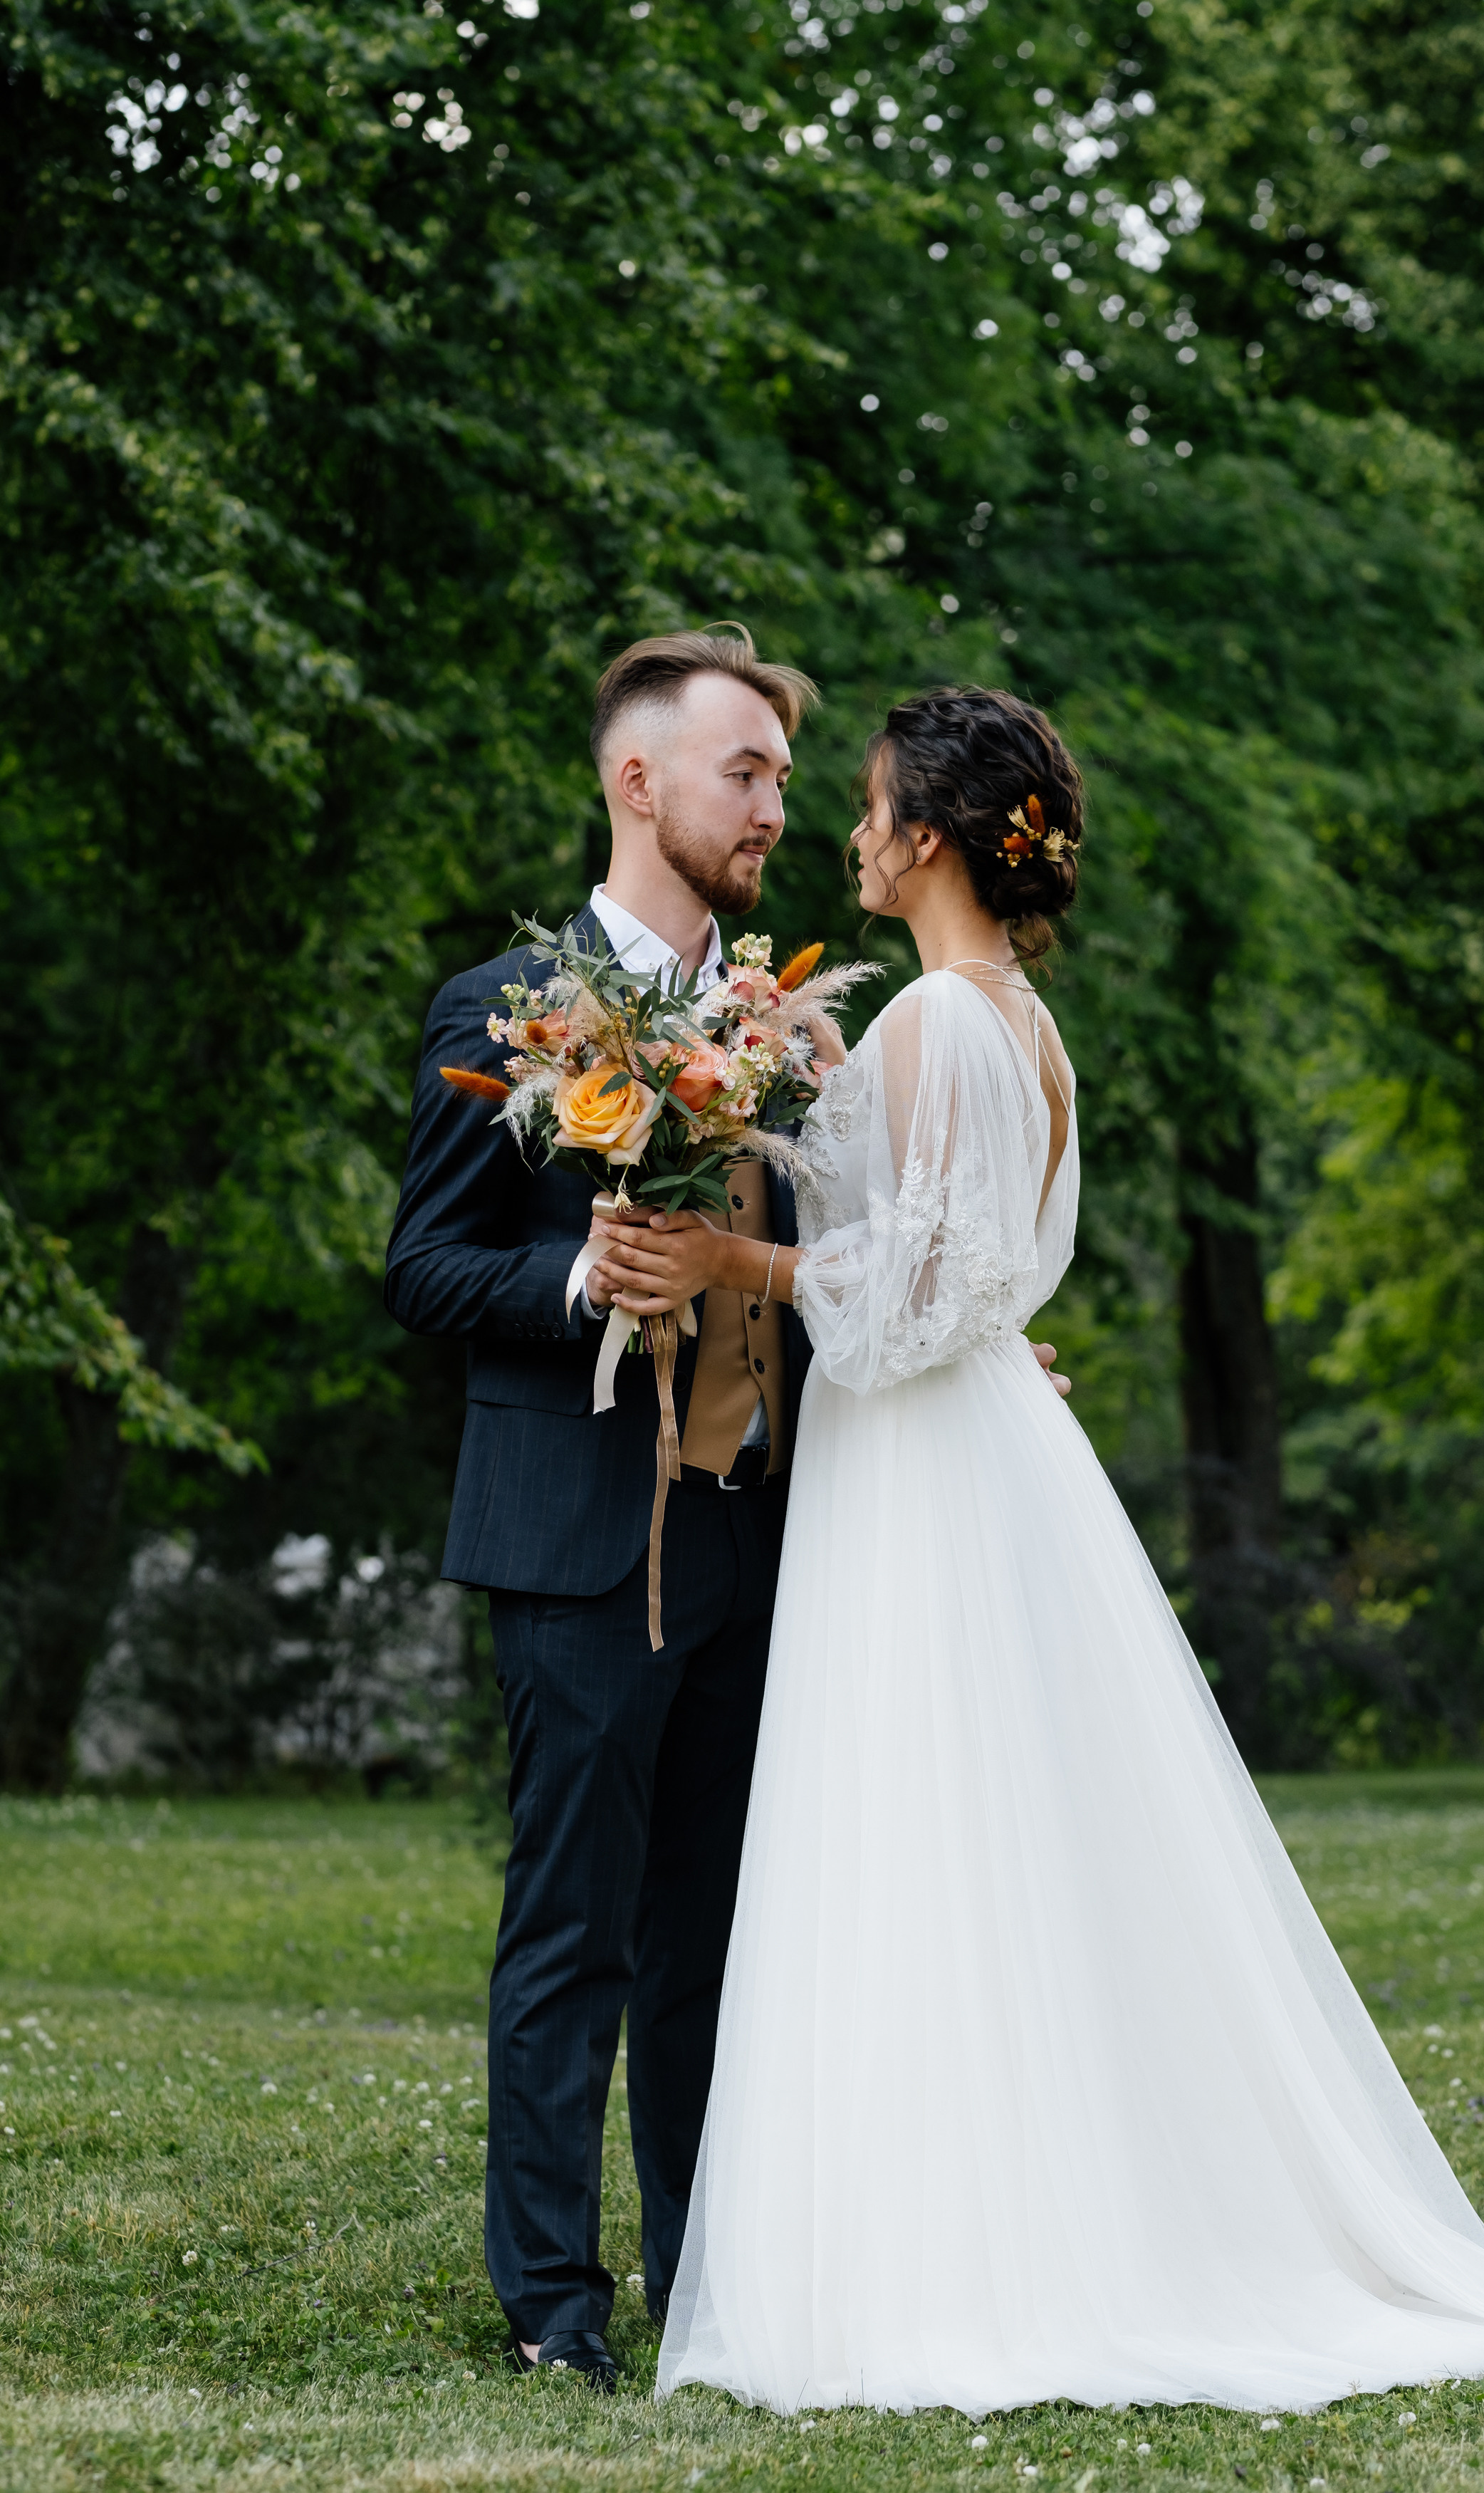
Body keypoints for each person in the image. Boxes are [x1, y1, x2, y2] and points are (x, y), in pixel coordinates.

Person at [592, 683, 1484, 2417]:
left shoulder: (940, 1016)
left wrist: (733, 1265)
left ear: (926, 835)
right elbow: (967, 1263)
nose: (845, 832)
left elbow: (916, 1298)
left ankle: (953, 2254)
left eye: (862, 804)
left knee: (926, 1829)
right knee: (997, 1833)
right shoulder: (1013, 1022)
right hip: (984, 1449)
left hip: (924, 1468)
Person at [386, 626, 1077, 2390]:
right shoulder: (500, 1009)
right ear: (640, 781)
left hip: (774, 1538)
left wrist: (982, 1354)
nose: (776, 804)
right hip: (579, 1532)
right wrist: (578, 1282)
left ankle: (713, 2276)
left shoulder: (793, 1025)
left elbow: (892, 1248)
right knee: (575, 1928)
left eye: (788, 777)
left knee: (716, 1932)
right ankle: (556, 2302)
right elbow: (428, 1265)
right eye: (746, 773)